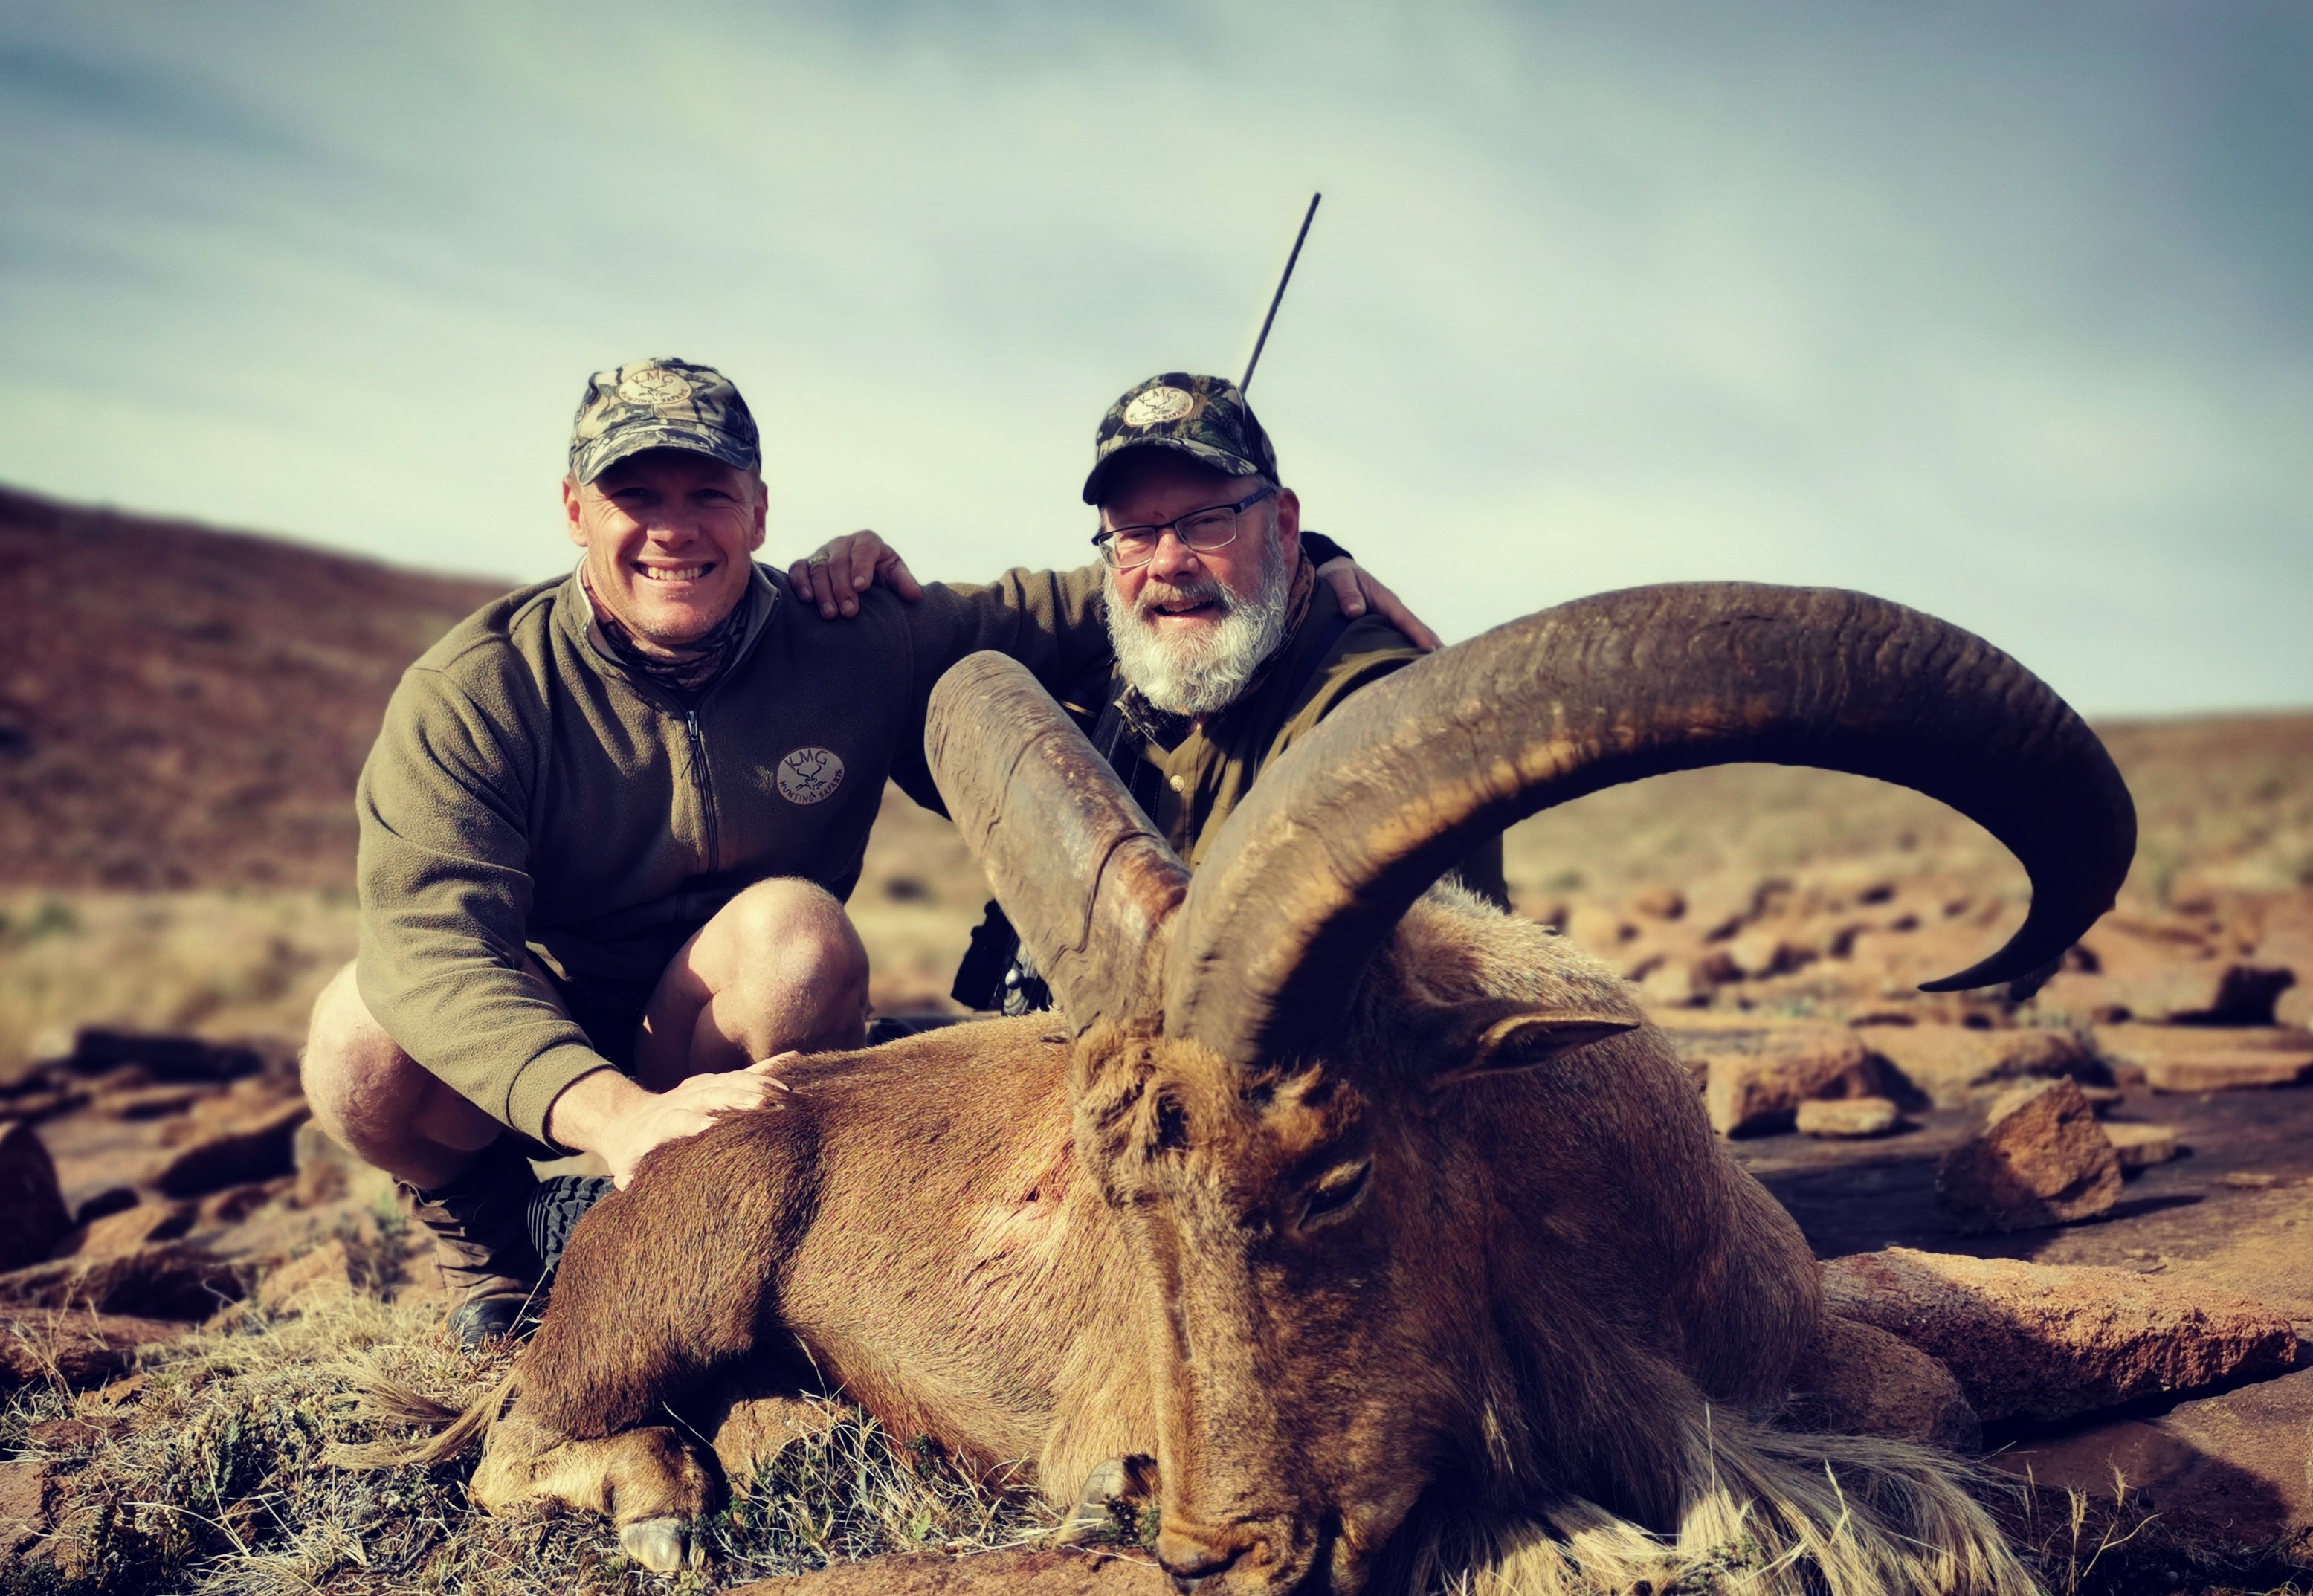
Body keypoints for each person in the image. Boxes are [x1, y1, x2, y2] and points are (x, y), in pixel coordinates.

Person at [304, 358, 1424, 1346]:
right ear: (573, 511)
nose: (674, 528)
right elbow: (428, 946)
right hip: (554, 1032)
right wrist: (612, 1116)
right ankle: (501, 1253)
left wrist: (1309, 564)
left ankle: (702, 1240)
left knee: (794, 936)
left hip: (725, 1028)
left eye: (708, 494)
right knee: (358, 1036)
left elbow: (1121, 595)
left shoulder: (853, 636)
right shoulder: (478, 689)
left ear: (758, 509)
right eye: (633, 496)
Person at [799, 372, 1501, 1014]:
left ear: (1283, 526)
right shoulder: (1129, 676)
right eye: (1134, 534)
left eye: (1207, 522)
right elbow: (914, 673)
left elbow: (1358, 1013)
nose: (1168, 561)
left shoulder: (1371, 710)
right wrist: (852, 591)